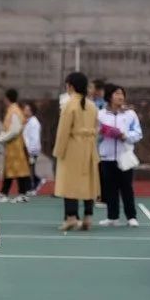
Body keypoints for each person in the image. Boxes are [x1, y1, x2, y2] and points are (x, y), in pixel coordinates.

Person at [53, 72, 100, 231]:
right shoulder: (91, 105)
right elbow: (96, 128)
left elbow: (63, 131)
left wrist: (59, 151)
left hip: (72, 147)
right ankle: (88, 216)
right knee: (88, 183)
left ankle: (71, 217)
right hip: (89, 147)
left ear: (70, 86)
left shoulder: (69, 104)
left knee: (69, 183)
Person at [97, 83, 142, 227]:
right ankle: (112, 217)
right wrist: (102, 133)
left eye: (122, 94)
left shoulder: (130, 114)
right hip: (106, 156)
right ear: (109, 96)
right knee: (109, 189)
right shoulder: (100, 114)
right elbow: (95, 134)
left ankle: (131, 217)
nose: (120, 97)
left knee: (126, 188)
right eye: (117, 94)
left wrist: (124, 136)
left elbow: (138, 133)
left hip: (124, 157)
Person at [0, 90, 31, 203]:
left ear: (7, 98)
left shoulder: (14, 111)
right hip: (13, 145)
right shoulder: (14, 110)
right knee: (12, 170)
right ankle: (6, 192)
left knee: (18, 170)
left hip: (15, 145)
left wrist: (2, 138)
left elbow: (15, 130)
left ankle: (20, 193)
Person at [22, 103, 43, 195]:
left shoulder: (34, 122)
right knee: (29, 169)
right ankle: (33, 185)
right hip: (28, 149)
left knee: (30, 169)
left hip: (32, 150)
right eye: (25, 109)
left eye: (27, 110)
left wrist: (30, 151)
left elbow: (35, 138)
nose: (25, 111)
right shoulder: (27, 121)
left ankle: (33, 186)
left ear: (32, 111)